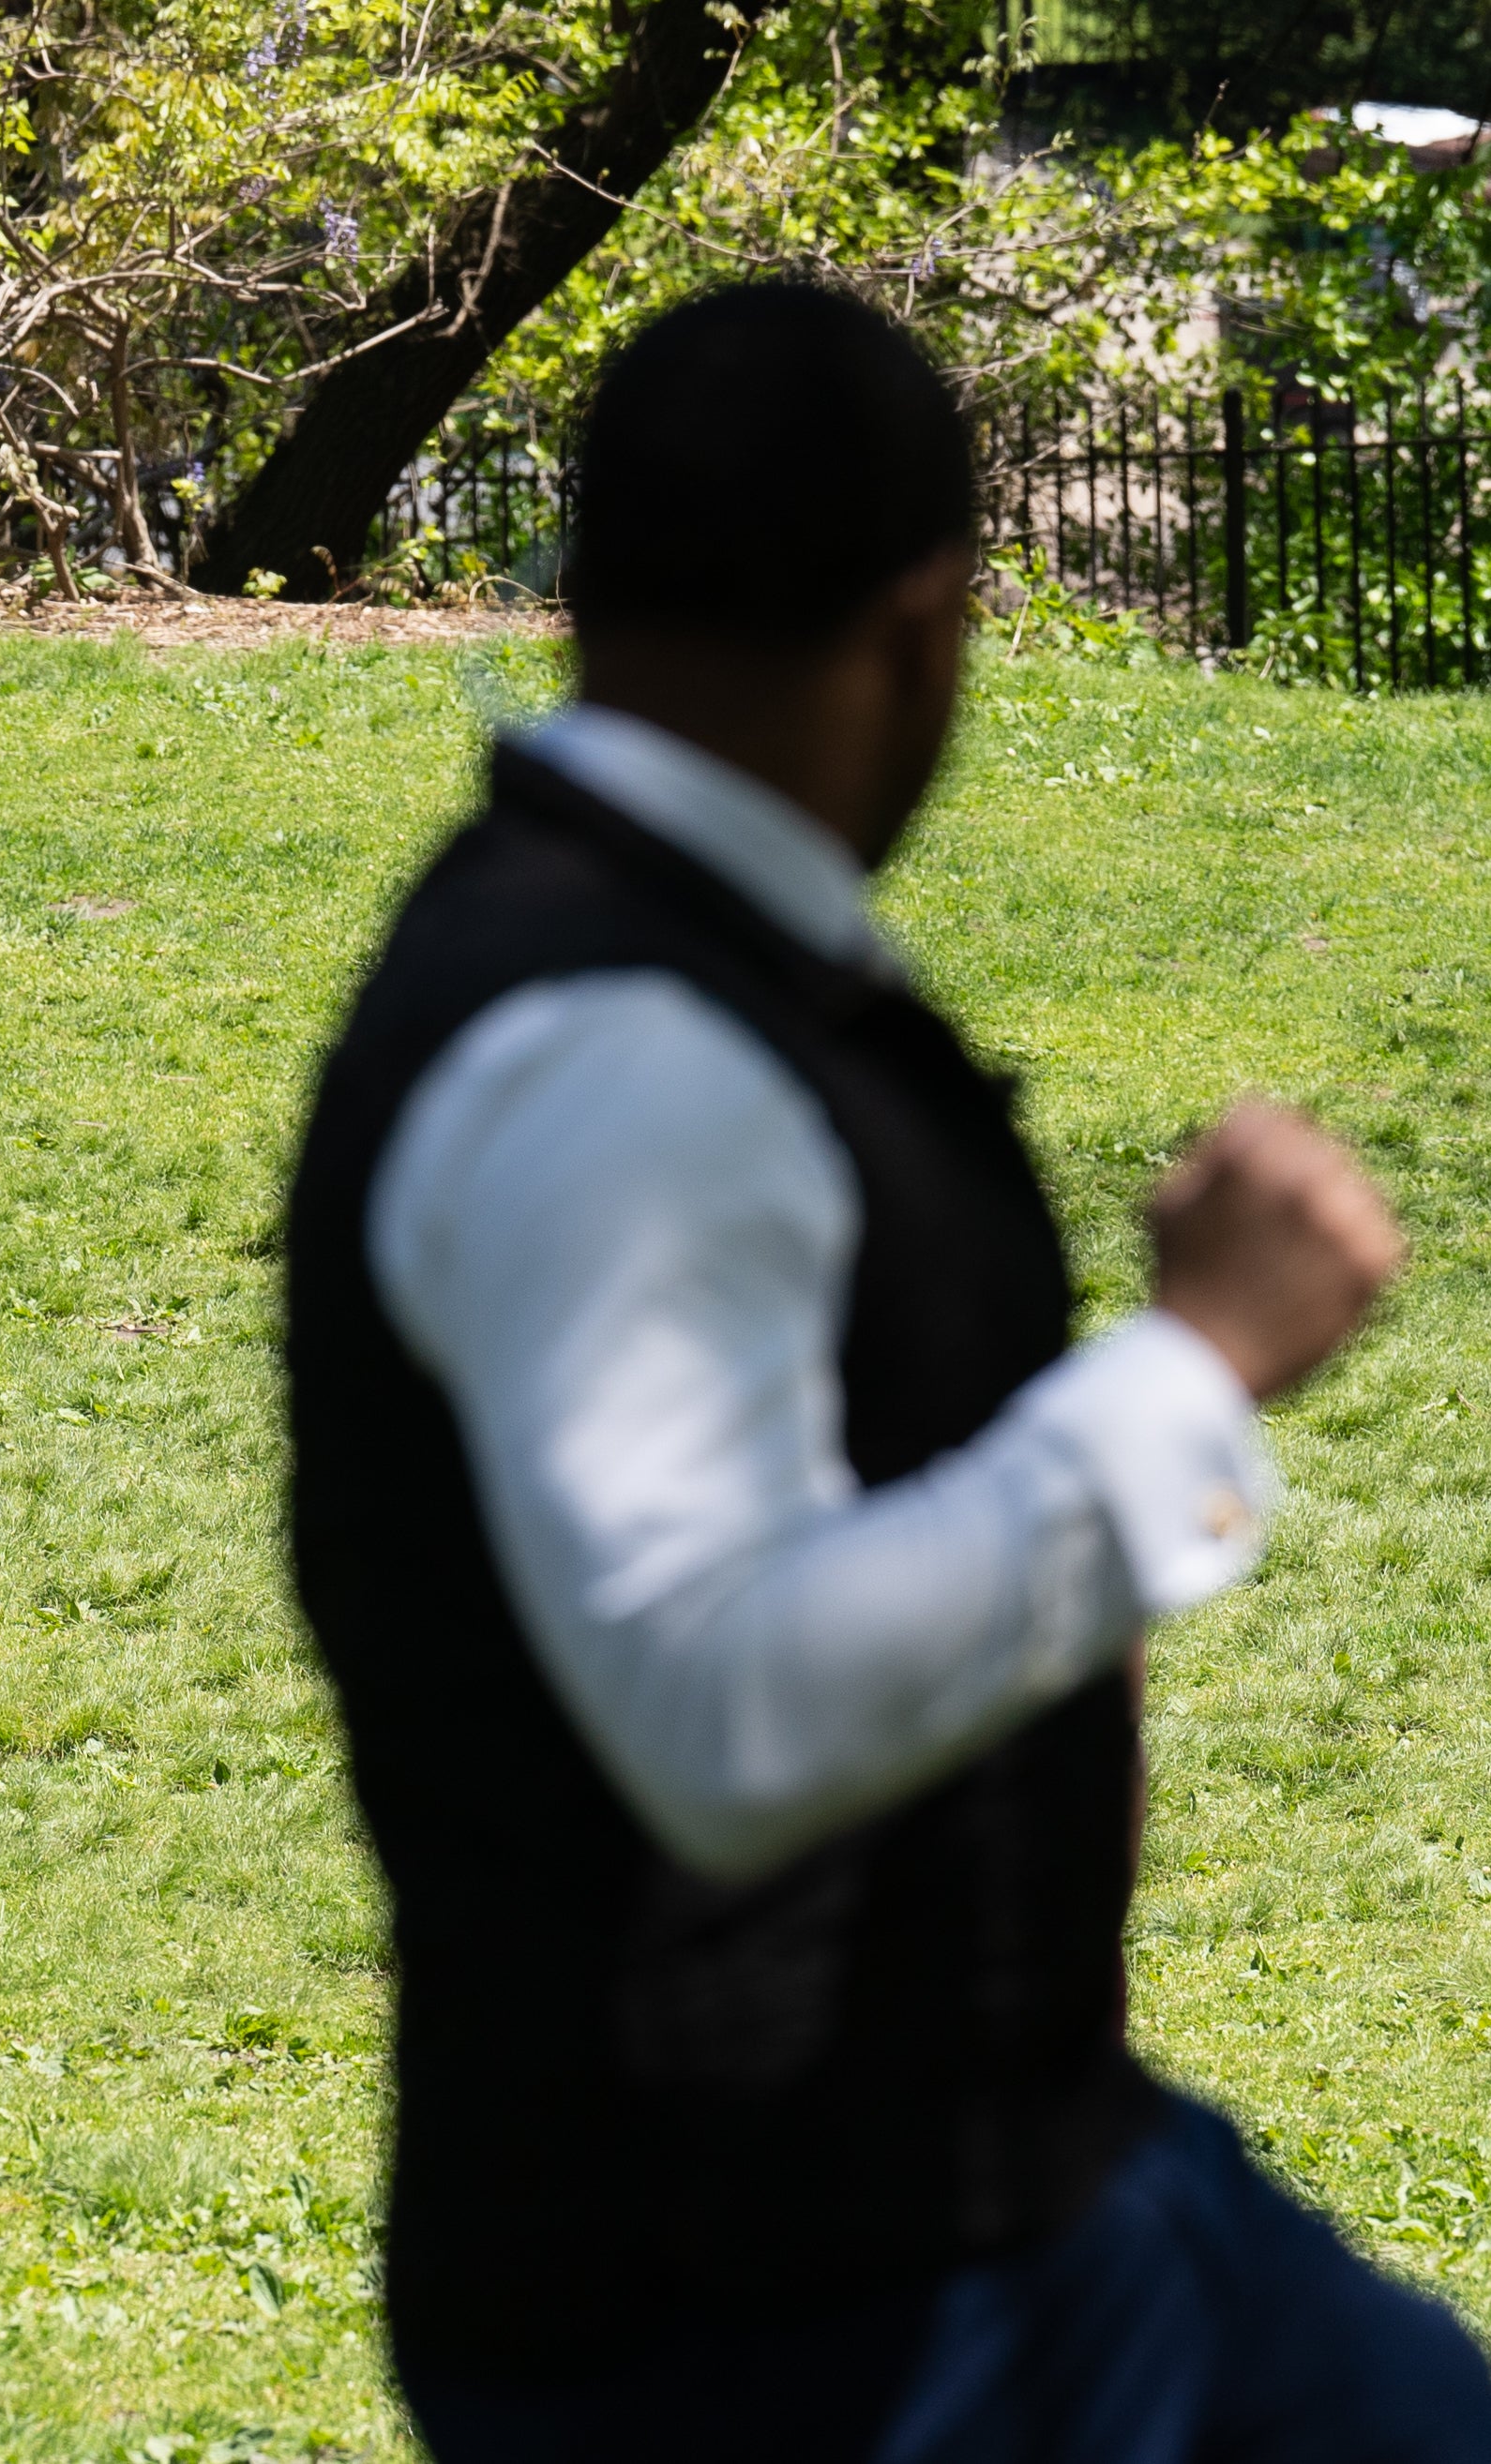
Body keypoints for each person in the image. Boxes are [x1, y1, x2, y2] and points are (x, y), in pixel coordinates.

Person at [282, 282, 1482, 2459]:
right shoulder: (612, 1054)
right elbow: (720, 1700)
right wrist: (1195, 1367)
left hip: (998, 2197)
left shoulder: (685, 953)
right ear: (930, 621)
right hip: (775, 2325)